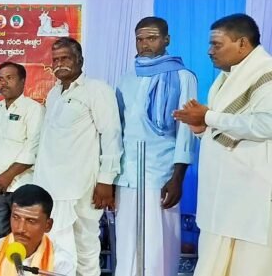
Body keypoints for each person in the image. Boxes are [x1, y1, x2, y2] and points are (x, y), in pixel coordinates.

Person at [173, 14, 272, 275]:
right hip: (222, 195)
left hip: (251, 196)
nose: (209, 51)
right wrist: (201, 129)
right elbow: (227, 131)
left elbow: (267, 125)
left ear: (242, 43)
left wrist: (207, 116)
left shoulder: (266, 74)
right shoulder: (227, 77)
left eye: (217, 44)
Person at [113, 17, 197, 276]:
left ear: (166, 40)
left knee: (158, 244)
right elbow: (118, 129)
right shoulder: (127, 78)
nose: (145, 44)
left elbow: (186, 131)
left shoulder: (183, 77)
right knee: (126, 244)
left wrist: (177, 178)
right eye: (140, 39)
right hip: (126, 176)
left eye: (151, 38)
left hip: (160, 174)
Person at [34, 37, 122, 276]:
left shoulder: (97, 90)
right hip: (51, 186)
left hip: (82, 185)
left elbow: (111, 134)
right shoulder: (53, 94)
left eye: (66, 58)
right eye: (56, 60)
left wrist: (106, 181)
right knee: (55, 250)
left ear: (80, 60)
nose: (60, 64)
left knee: (85, 248)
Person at [0, 62, 44, 242]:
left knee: (22, 237)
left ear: (23, 81)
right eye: (0, 79)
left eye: (9, 78)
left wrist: (8, 176)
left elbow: (33, 148)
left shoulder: (33, 109)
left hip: (21, 187)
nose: (3, 83)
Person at [0, 184, 74, 276]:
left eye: (31, 221)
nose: (21, 228)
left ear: (48, 225)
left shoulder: (61, 262)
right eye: (16, 217)